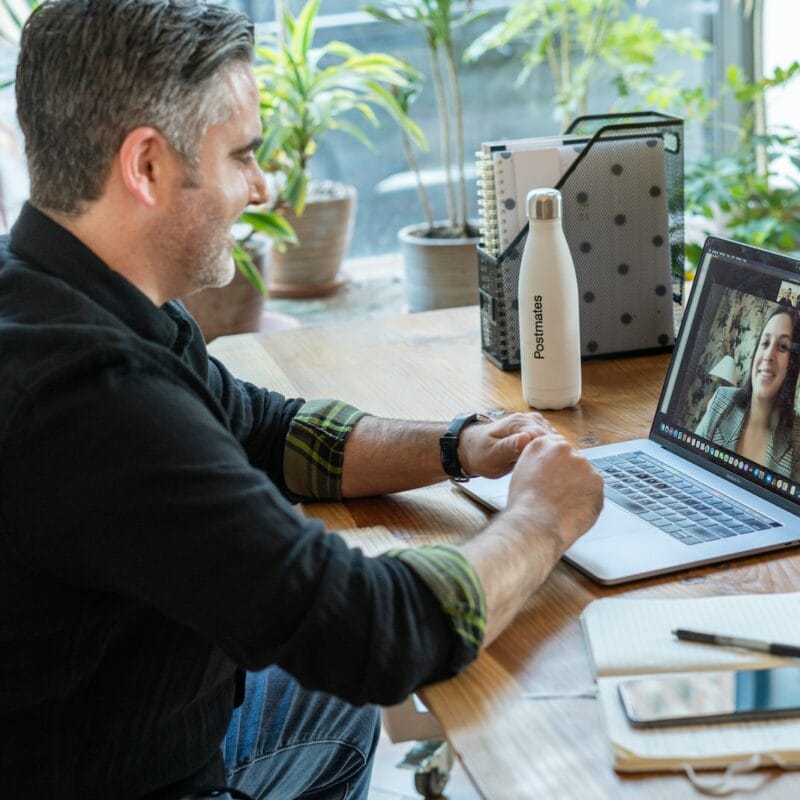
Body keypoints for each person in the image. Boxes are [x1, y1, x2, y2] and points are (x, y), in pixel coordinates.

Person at [0, 2, 603, 799]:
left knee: (332, 701)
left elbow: (266, 430)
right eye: (242, 156)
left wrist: (458, 444)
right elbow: (374, 635)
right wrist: (542, 519)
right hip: (124, 778)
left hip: (111, 716)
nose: (262, 186)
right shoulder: (97, 401)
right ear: (145, 166)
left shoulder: (59, 294)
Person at [696, 305, 800, 477]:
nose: (768, 355)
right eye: (765, 343)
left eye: (782, 347)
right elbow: (690, 462)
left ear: (793, 363)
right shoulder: (722, 399)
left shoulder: (797, 439)